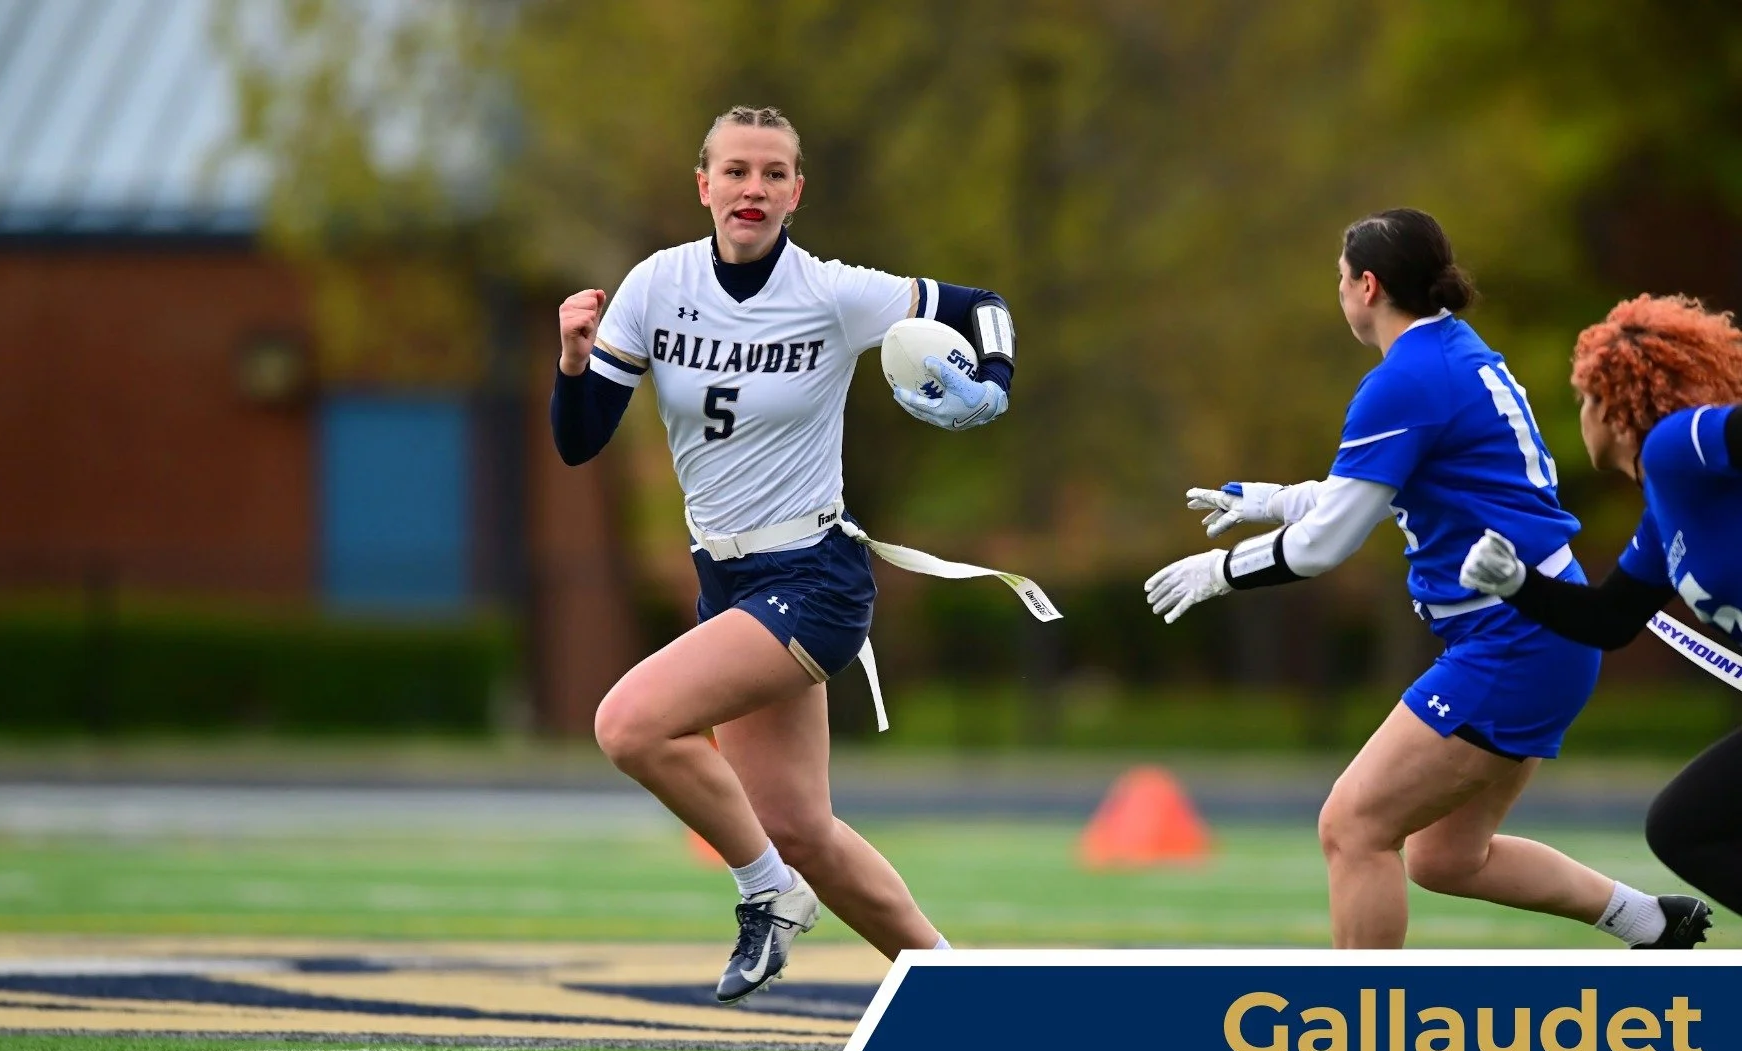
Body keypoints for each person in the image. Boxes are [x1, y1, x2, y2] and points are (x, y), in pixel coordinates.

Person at [552, 106, 1031, 1003]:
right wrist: (574, 362)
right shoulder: (656, 285)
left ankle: (766, 895)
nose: (752, 188)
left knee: (628, 725)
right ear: (703, 185)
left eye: (773, 174)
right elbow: (580, 443)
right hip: (725, 580)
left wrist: (992, 384)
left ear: (796, 193)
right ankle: (964, 990)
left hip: (811, 579)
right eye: (735, 171)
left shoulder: (831, 291)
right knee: (802, 829)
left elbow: (984, 308)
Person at [1143, 208, 1711, 949]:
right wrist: (1275, 500)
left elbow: (1325, 545)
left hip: (1514, 636)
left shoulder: (1407, 379)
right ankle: (1648, 922)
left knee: (1353, 826)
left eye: (1340, 278)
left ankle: (1362, 1033)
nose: (1338, 291)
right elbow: (1384, 493)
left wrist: (1222, 572)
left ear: (1368, 286)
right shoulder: (1454, 352)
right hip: (1542, 629)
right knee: (1445, 858)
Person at [1460, 293, 1742, 917]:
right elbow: (1610, 620)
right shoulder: (1661, 518)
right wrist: (1517, 584)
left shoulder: (1674, 446)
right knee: (1683, 828)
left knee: (1687, 829)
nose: (1581, 414)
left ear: (1617, 408)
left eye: (1586, 399)